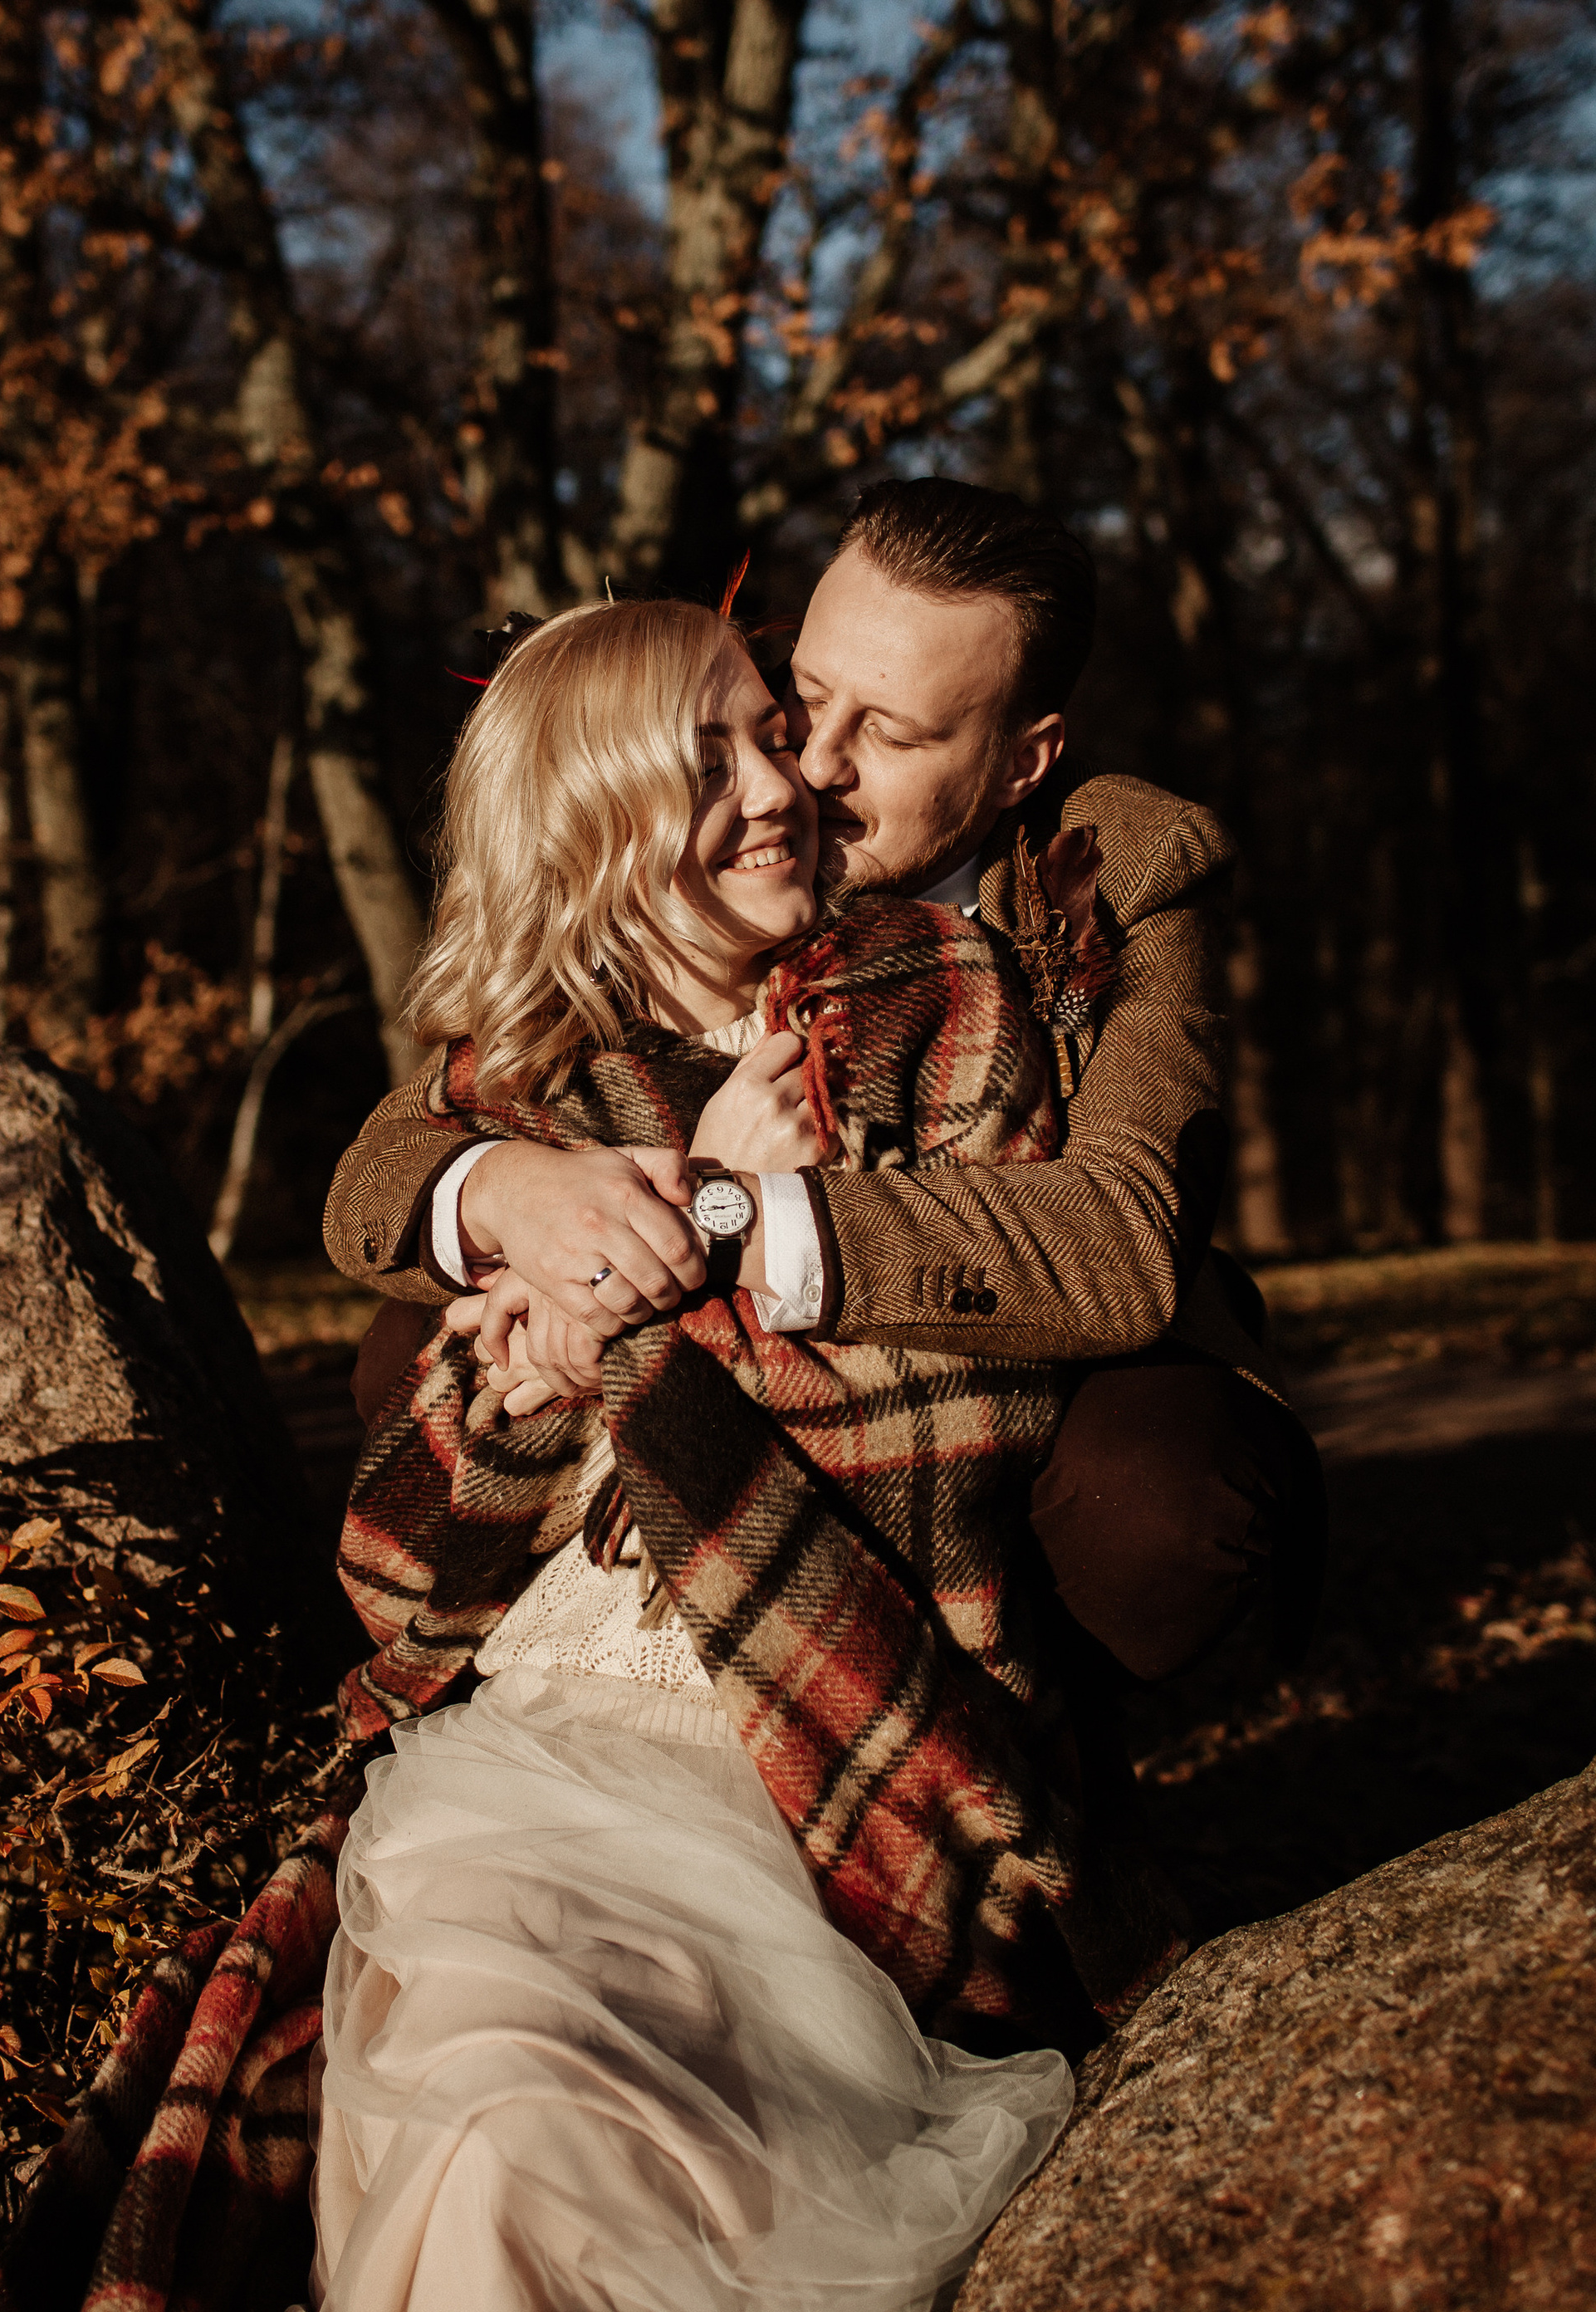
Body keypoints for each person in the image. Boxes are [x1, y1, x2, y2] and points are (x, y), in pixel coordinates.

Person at [277, 594, 1180, 2312]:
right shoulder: (507, 1092)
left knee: (637, 2224)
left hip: (811, 1755)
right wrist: (509, 1396)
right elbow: (405, 1589)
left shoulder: (934, 1001)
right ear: (593, 813)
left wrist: (676, 1251)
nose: (785, 786)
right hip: (524, 1770)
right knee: (491, 2168)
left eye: (773, 731)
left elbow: (957, 1416)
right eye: (711, 757)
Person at [328, 480, 1324, 1702]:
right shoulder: (711, 824)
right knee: (412, 1340)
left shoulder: (1114, 868)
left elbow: (1116, 1238)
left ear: (1024, 760)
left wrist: (715, 1214)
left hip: (1037, 1327)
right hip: (726, 1323)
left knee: (1163, 1504)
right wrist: (512, 1195)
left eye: (894, 735)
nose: (817, 770)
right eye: (805, 698)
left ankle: (1026, 1755)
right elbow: (397, 1155)